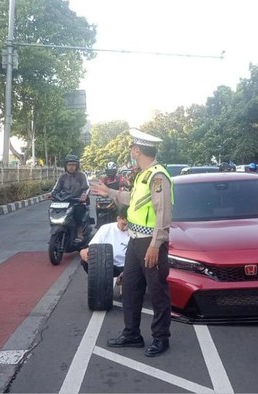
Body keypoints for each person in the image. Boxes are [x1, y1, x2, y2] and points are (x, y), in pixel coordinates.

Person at [91, 128, 174, 357]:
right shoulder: (142, 175)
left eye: (131, 148)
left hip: (150, 243)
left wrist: (156, 245)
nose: (130, 152)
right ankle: (132, 334)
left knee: (157, 292)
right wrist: (110, 192)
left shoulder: (158, 176)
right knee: (130, 288)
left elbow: (163, 213)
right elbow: (133, 201)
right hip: (135, 241)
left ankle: (161, 338)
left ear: (137, 150)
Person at [79, 204, 130, 289]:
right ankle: (100, 284)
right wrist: (84, 252)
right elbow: (93, 246)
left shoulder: (135, 231)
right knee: (87, 260)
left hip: (129, 267)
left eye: (128, 225)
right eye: (123, 224)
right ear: (118, 219)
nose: (125, 228)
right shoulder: (106, 228)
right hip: (109, 265)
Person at [50, 154, 90, 241]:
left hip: (77, 201)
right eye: (69, 165)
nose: (71, 167)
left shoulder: (81, 176)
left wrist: (84, 195)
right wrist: (51, 194)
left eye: (73, 165)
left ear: (77, 166)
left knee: (78, 210)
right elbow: (55, 189)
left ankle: (79, 230)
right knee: (53, 209)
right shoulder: (62, 177)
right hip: (65, 201)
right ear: (66, 166)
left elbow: (87, 188)